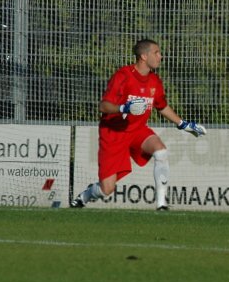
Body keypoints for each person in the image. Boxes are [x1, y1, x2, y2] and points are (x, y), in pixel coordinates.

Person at [70, 38, 206, 211]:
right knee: (106, 189)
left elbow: (161, 106)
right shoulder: (123, 75)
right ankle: (84, 196)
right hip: (113, 133)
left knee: (161, 150)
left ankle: (161, 204)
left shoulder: (154, 81)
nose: (160, 56)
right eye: (156, 53)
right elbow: (103, 105)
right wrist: (124, 107)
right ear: (143, 56)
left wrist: (183, 124)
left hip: (137, 131)